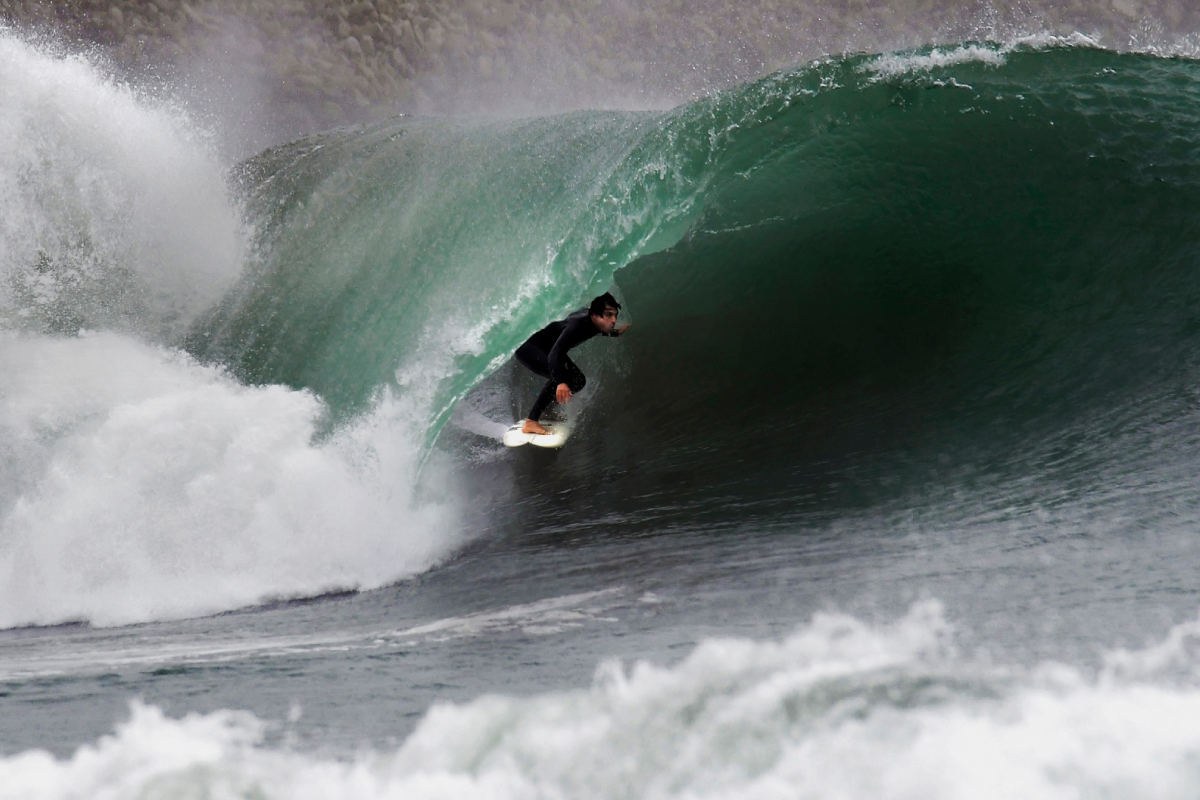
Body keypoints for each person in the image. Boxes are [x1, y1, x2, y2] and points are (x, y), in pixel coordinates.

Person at [515, 292, 632, 435]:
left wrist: (615, 333)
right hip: (530, 348)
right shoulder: (577, 324)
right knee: (560, 378)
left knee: (578, 380)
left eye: (615, 315)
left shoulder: (592, 321)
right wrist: (560, 383)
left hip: (548, 348)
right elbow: (554, 355)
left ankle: (546, 411)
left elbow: (595, 329)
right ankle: (531, 421)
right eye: (609, 315)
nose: (614, 320)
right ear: (595, 315)